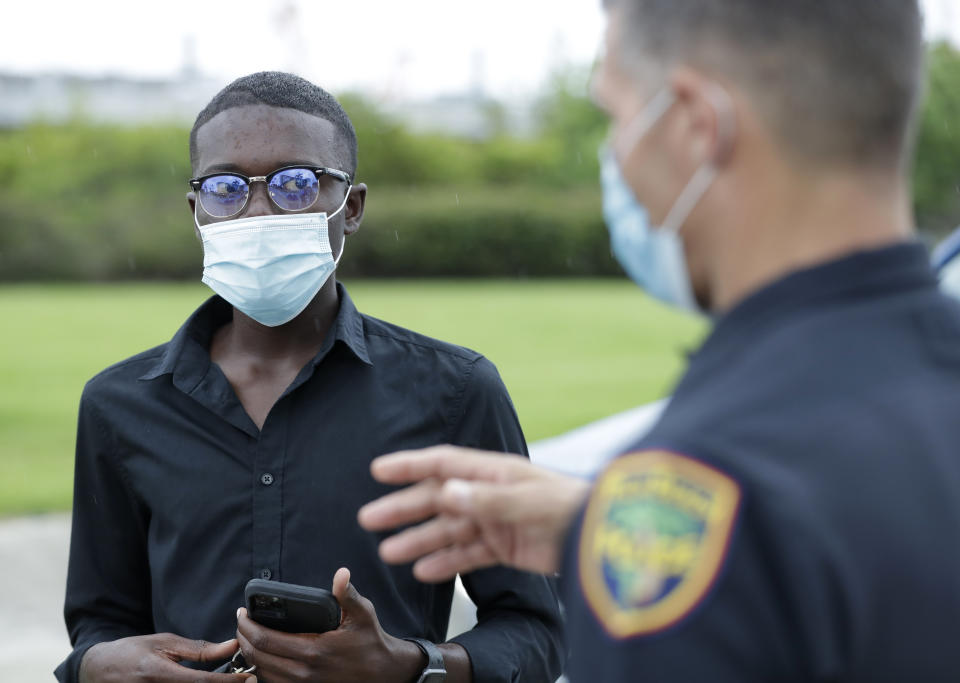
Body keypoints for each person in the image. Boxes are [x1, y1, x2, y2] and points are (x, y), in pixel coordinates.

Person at [359, 1, 960, 681]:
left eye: (616, 116)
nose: (614, 155)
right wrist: (594, 525)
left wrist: (646, 539)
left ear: (698, 127)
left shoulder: (701, 479)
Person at [56, 72, 563, 683]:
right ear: (197, 211)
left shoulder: (456, 393)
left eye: (296, 184)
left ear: (351, 207)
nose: (260, 209)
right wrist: (94, 667)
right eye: (226, 188)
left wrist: (408, 666)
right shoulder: (120, 406)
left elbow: (534, 628)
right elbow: (100, 624)